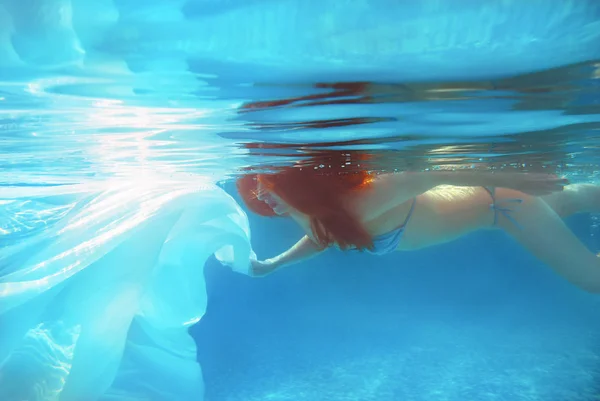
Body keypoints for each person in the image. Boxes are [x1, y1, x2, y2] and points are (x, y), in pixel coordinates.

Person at [236, 152, 600, 293]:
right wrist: (272, 265)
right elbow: (321, 239)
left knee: (591, 280)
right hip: (496, 205)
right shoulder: (315, 214)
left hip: (505, 205)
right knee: (578, 198)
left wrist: (513, 178)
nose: (261, 199)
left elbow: (422, 174)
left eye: (267, 189)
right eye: (257, 191)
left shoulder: (358, 200)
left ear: (295, 185)